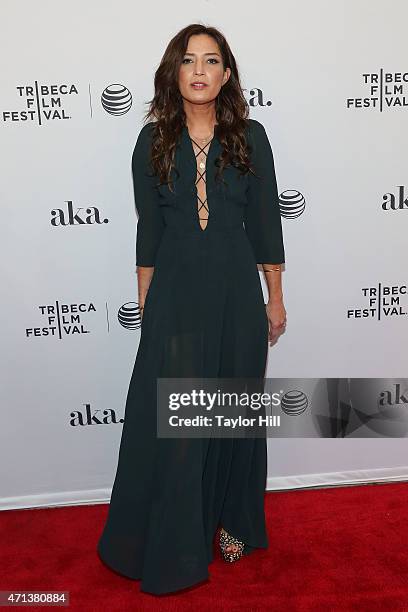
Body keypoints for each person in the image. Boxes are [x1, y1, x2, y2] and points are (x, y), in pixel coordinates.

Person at [97, 23, 287, 596]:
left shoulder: (250, 138)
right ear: (173, 74)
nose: (200, 70)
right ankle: (177, 537)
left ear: (227, 74)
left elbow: (267, 224)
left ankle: (232, 521)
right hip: (176, 296)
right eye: (188, 60)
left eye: (211, 60)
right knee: (179, 419)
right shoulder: (150, 142)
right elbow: (148, 233)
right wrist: (146, 303)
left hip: (236, 293)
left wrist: (274, 297)